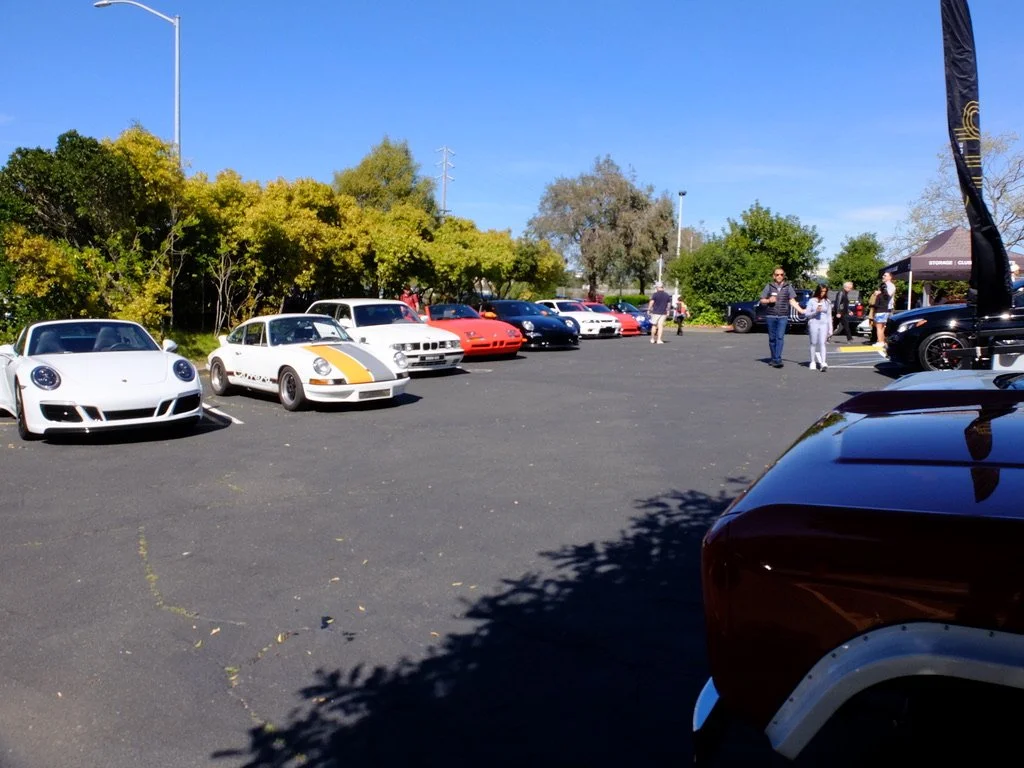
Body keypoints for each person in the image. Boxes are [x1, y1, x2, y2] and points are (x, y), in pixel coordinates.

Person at [759, 266, 803, 368]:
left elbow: (792, 301)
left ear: (784, 276)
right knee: (772, 338)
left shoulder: (788, 287)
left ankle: (777, 359)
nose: (779, 276)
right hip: (771, 316)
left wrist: (801, 310)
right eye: (777, 274)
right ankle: (774, 358)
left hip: (783, 316)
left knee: (780, 337)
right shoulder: (769, 286)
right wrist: (769, 300)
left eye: (781, 275)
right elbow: (762, 300)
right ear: (774, 276)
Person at [800, 284, 833, 372]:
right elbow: (807, 314)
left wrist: (830, 328)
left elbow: (829, 315)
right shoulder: (812, 301)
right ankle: (813, 361)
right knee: (813, 343)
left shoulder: (827, 301)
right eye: (822, 291)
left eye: (825, 291)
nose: (823, 293)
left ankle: (823, 362)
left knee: (823, 343)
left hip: (824, 324)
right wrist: (815, 311)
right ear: (818, 291)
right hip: (814, 323)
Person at [870, 272, 896, 348]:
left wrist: (879, 293)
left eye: (885, 275)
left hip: (885, 308)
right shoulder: (884, 286)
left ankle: (881, 341)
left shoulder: (890, 286)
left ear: (890, 277)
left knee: (880, 326)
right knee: (882, 326)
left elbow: (888, 295)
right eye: (883, 275)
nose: (883, 276)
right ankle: (882, 341)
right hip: (884, 308)